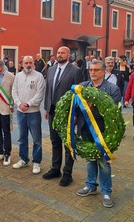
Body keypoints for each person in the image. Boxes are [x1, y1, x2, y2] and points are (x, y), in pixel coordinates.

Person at [76, 59, 121, 208]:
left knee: (103, 162)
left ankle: (106, 191)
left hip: (103, 131)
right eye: (91, 70)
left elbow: (111, 113)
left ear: (103, 72)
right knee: (90, 158)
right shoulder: (82, 87)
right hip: (85, 129)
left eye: (96, 70)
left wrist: (92, 106)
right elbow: (76, 106)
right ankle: (90, 185)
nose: (93, 73)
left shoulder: (112, 89)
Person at [43, 46, 83, 186]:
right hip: (53, 112)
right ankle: (55, 169)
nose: (59, 55)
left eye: (62, 53)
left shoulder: (76, 71)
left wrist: (76, 114)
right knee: (55, 142)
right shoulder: (51, 69)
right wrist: (47, 108)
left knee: (68, 144)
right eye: (58, 53)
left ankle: (67, 173)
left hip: (68, 114)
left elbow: (79, 95)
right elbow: (48, 90)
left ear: (68, 55)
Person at [12, 56, 45, 173]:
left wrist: (28, 104)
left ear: (33, 64)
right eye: (26, 63)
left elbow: (40, 94)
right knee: (22, 138)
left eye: (30, 62)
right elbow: (14, 91)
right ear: (22, 64)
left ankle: (36, 162)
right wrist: (19, 104)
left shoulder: (39, 76)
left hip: (33, 113)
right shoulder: (18, 76)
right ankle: (23, 159)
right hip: (21, 113)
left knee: (36, 139)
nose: (28, 65)